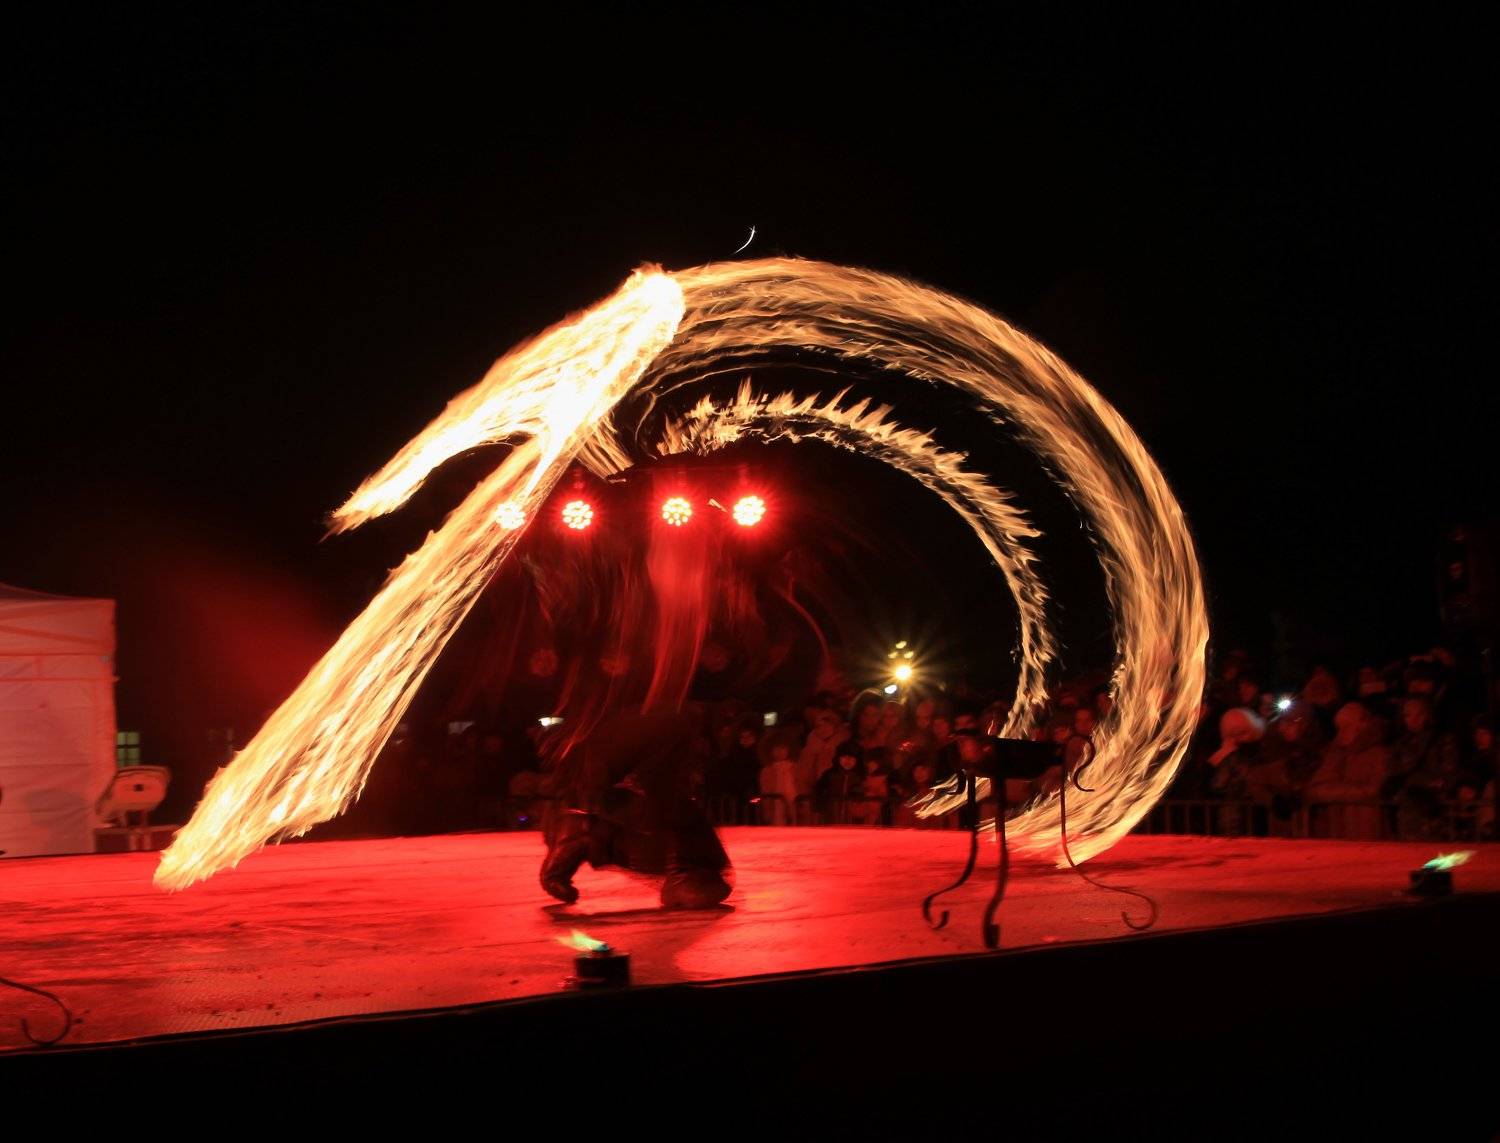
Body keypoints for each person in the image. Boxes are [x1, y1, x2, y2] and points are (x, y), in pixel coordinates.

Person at [538, 709, 732, 909]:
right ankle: (578, 835)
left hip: (607, 786)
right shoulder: (675, 734)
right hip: (597, 792)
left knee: (674, 817)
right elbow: (662, 792)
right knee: (669, 814)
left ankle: (688, 872)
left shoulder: (677, 732)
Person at [1305, 701, 1388, 839]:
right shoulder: (1336, 752)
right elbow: (1315, 787)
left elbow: (1376, 790)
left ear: (1362, 725)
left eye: (1347, 726)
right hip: (1337, 824)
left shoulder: (1378, 754)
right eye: (1339, 728)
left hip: (1367, 824)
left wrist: (1333, 792)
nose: (1342, 733)